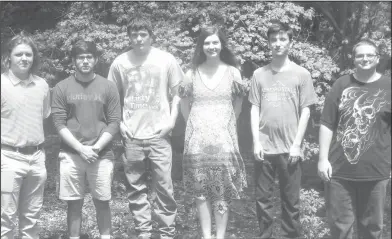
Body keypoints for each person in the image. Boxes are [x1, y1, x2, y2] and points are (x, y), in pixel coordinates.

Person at [107, 17, 184, 239]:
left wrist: (171, 122)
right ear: (129, 37)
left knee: (164, 188)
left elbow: (178, 93)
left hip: (160, 135)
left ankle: (166, 232)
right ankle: (143, 232)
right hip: (132, 135)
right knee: (135, 188)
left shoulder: (166, 59)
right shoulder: (120, 62)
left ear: (151, 35)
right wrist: (120, 124)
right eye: (134, 35)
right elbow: (111, 97)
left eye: (143, 34)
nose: (139, 39)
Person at [248, 22, 318, 239]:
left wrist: (297, 145)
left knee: (291, 202)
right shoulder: (259, 74)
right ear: (268, 43)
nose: (278, 43)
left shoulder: (302, 74)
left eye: (282, 39)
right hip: (265, 148)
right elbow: (254, 108)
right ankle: (265, 236)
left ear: (290, 43)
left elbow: (305, 111)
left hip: (290, 149)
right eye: (273, 40)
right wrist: (256, 142)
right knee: (263, 201)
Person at [179, 26, 247, 239]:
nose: (211, 46)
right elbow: (183, 106)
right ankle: (206, 236)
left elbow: (238, 105)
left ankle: (220, 236)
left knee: (221, 191)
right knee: (200, 193)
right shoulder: (190, 74)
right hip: (197, 143)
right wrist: (197, 127)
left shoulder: (233, 73)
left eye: (215, 42)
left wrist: (225, 127)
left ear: (222, 44)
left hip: (224, 142)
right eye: (207, 42)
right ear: (201, 46)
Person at [318, 39, 391, 239]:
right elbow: (327, 123)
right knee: (341, 228)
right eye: (360, 55)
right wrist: (323, 159)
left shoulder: (388, 86)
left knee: (372, 228)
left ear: (377, 58)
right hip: (340, 171)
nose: (365, 59)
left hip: (377, 171)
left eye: (369, 55)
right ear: (353, 59)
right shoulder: (341, 84)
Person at [51, 40, 121, 239]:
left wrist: (96, 148)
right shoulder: (61, 87)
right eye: (80, 57)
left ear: (96, 59)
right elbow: (58, 123)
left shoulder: (108, 86)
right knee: (74, 202)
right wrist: (81, 149)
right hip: (71, 154)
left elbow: (114, 122)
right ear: (74, 61)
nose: (85, 61)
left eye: (89, 57)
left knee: (102, 201)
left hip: (102, 153)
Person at [1, 32, 51, 238]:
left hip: (37, 161)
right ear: (8, 58)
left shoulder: (42, 85)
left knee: (32, 217)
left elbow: (44, 116)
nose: (24, 58)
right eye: (19, 54)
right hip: (8, 160)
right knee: (5, 216)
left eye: (28, 55)